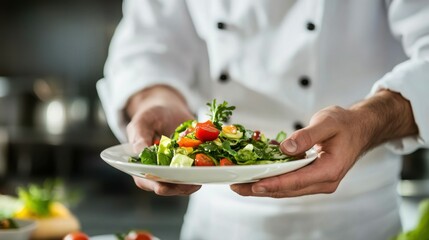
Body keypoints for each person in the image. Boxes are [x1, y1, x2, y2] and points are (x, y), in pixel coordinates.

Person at [97, 1, 429, 239]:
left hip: (356, 217)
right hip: (218, 215)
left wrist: (367, 122)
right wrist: (156, 98)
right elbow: (147, 42)